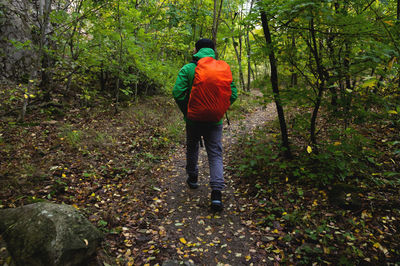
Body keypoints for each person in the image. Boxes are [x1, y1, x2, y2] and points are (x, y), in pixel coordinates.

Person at [172, 38, 238, 211]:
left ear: (196, 50)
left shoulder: (188, 69)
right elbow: (234, 94)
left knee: (192, 147)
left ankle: (193, 178)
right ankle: (216, 195)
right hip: (215, 121)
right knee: (215, 153)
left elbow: (178, 93)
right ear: (213, 51)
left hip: (193, 120)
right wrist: (219, 109)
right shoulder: (222, 69)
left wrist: (188, 111)